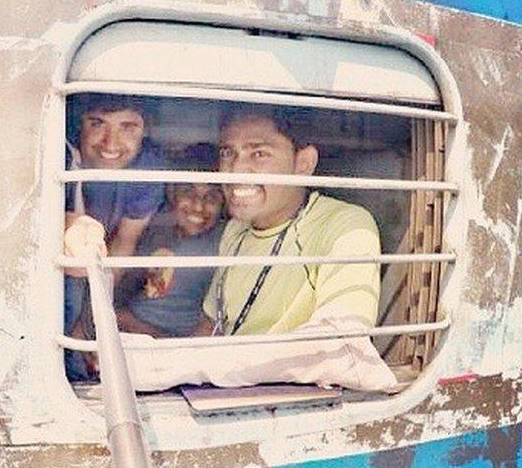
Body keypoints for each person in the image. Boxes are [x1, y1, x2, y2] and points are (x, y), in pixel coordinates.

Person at [124, 104, 397, 392]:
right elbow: (212, 326)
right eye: (228, 153)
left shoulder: (344, 225)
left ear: (303, 163)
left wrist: (184, 364)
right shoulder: (235, 231)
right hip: (221, 395)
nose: (237, 170)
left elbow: (338, 347)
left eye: (259, 153)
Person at [62, 94, 165, 378]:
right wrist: (66, 223)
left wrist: (90, 320)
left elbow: (124, 243)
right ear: (77, 124)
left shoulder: (148, 167)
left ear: (145, 130)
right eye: (97, 123)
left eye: (128, 127)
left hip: (98, 261)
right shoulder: (58, 153)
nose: (110, 143)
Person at [115, 181, 224, 338]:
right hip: (130, 330)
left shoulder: (224, 240)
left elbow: (213, 324)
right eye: (188, 192)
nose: (199, 207)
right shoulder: (155, 227)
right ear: (172, 194)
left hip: (179, 344)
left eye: (212, 197)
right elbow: (123, 290)